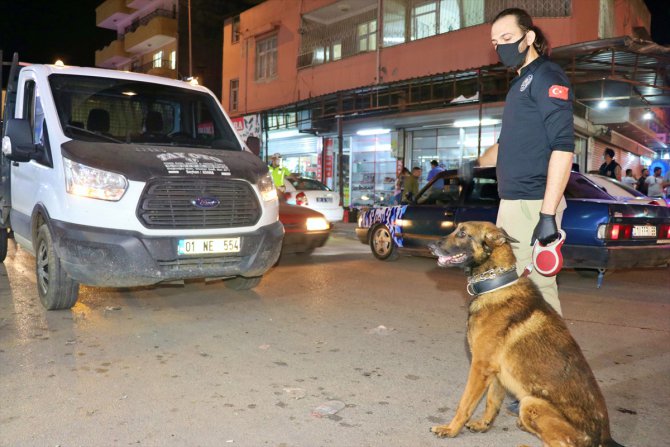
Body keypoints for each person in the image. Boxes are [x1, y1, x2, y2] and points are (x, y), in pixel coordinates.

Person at [472, 8, 574, 316]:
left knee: (538, 290)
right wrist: (468, 168)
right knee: (511, 288)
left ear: (528, 37)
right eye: (495, 41)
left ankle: (554, 361)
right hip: (514, 201)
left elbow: (563, 147)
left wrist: (547, 215)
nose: (500, 46)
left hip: (533, 202)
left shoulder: (546, 75)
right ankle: (523, 356)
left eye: (507, 38)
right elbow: (507, 145)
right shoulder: (519, 84)